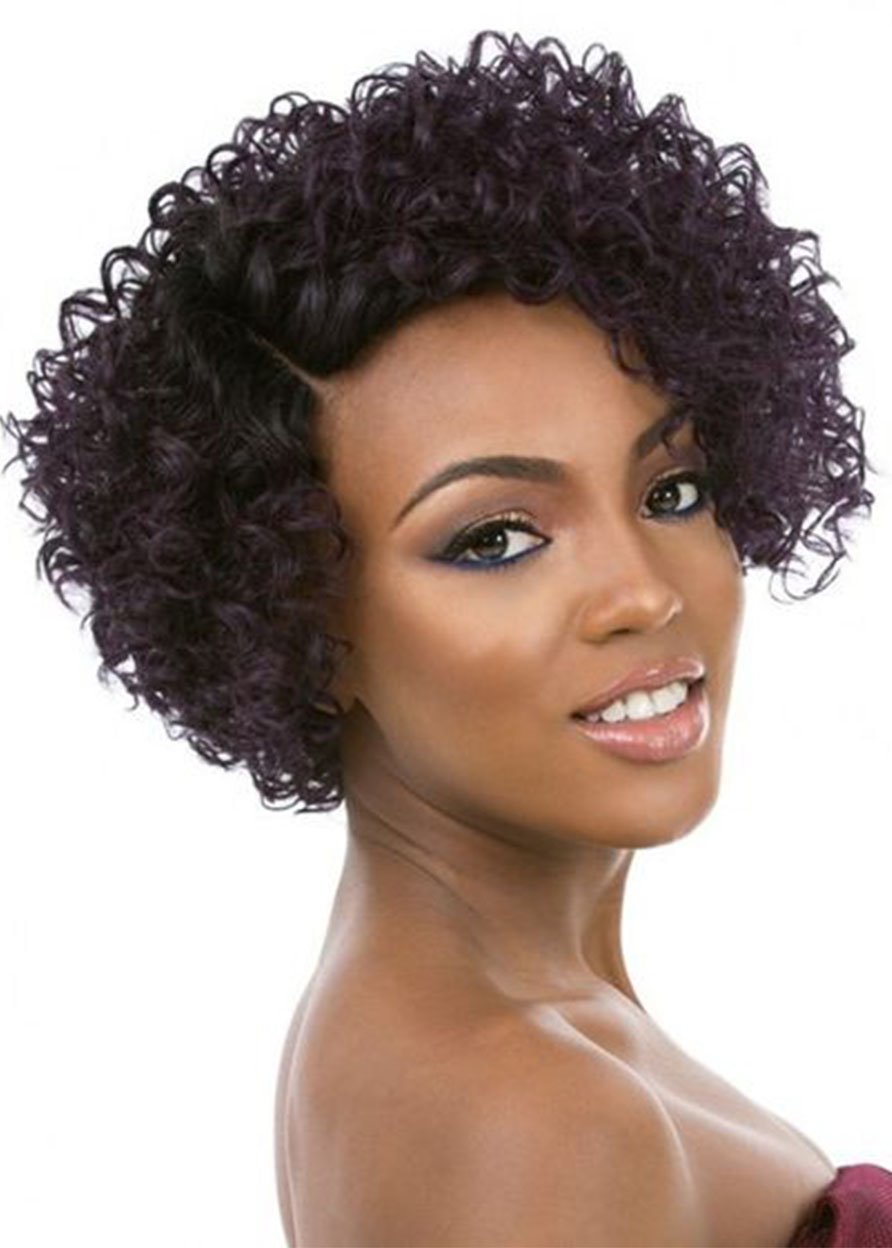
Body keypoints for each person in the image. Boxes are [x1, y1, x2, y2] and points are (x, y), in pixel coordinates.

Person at [3, 27, 888, 1248]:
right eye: (495, 538)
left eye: (670, 490)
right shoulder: (533, 1120)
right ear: (297, 617)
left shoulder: (497, 1031)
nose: (639, 593)